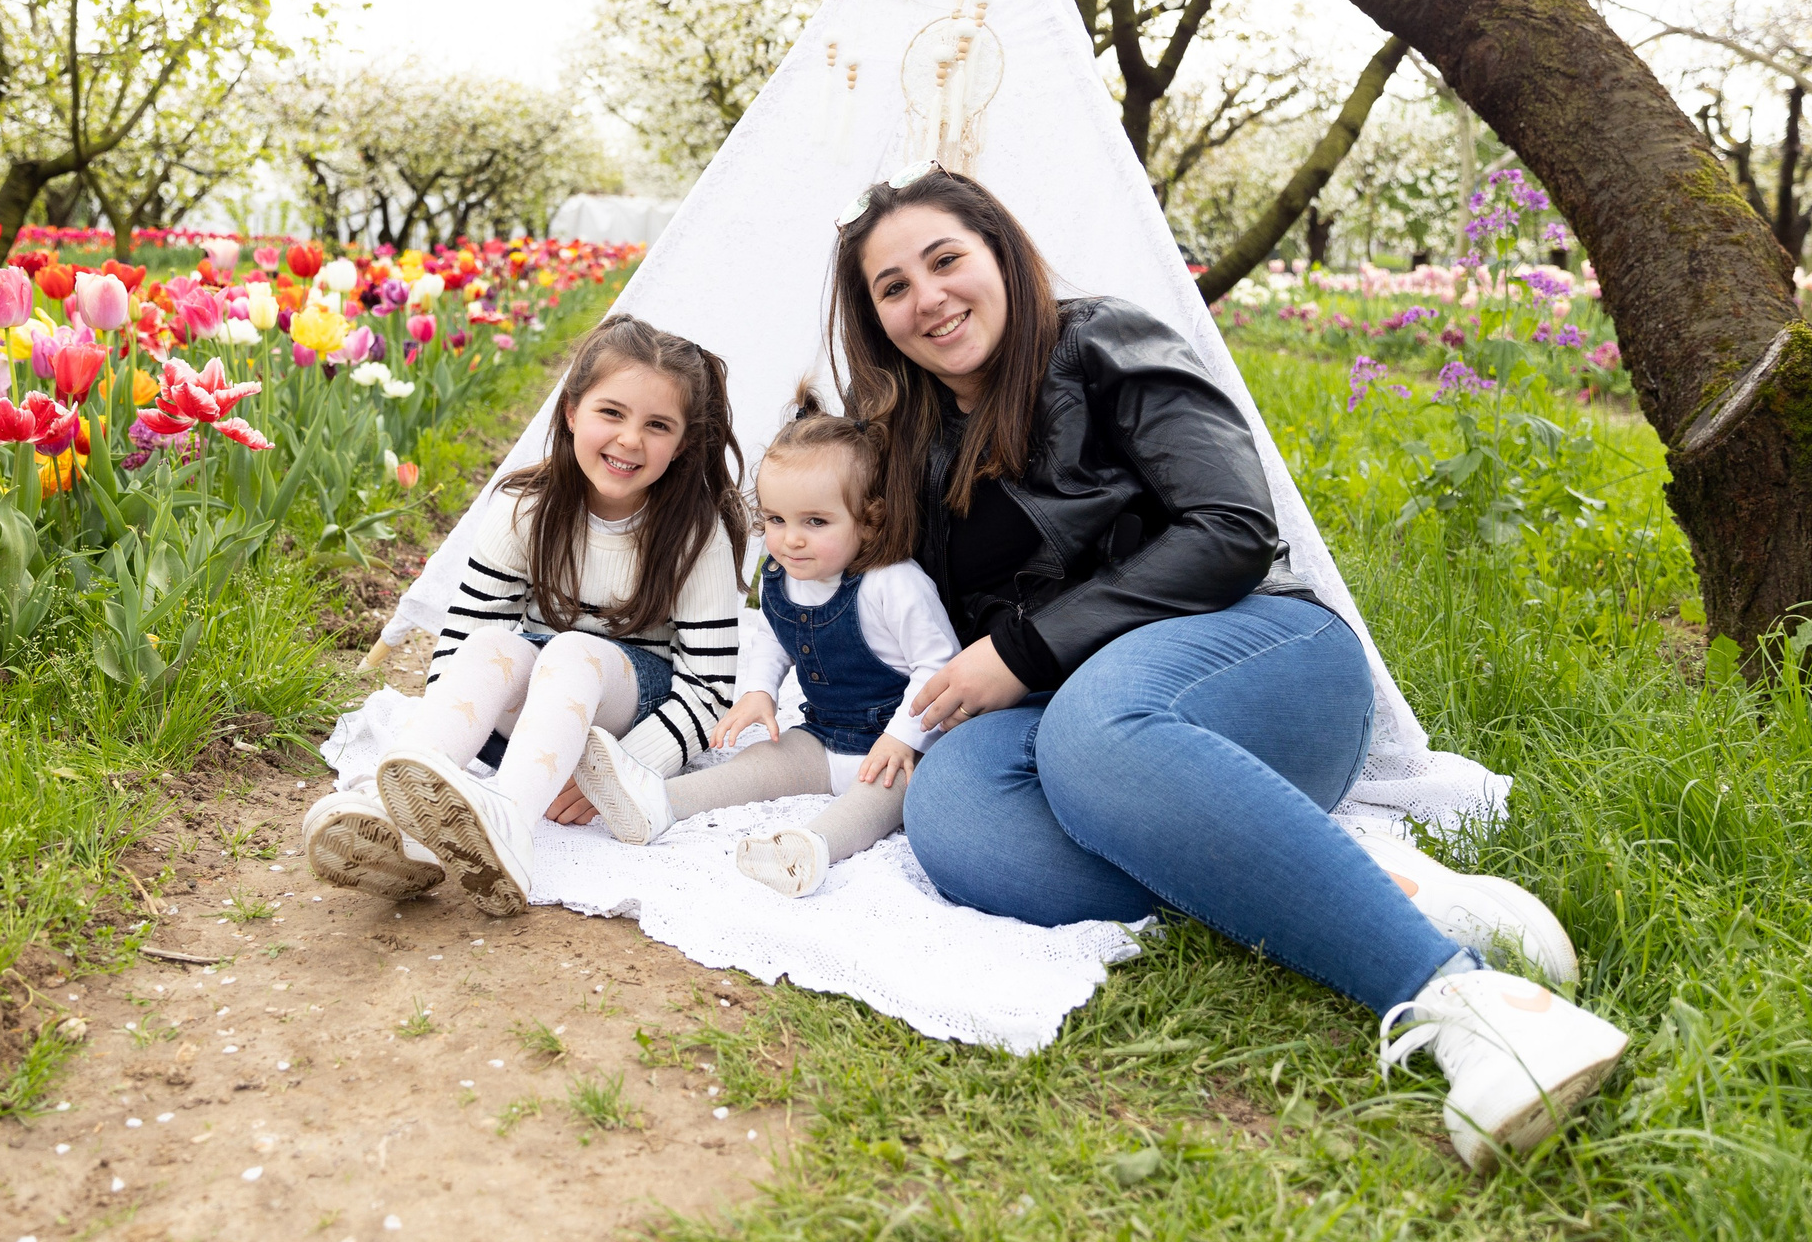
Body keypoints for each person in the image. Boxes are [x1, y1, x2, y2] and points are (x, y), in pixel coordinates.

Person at [835, 163, 1626, 1172]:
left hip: (1258, 652)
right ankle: (1376, 881)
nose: (926, 297)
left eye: (945, 259)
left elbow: (1230, 527)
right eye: (891, 286)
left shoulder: (1103, 341)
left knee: (1091, 736)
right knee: (959, 821)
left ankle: (1471, 1005)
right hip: (1088, 716)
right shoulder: (912, 441)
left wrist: (1026, 652)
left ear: (999, 253)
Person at [303, 315, 747, 917]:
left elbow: (711, 686)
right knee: (493, 649)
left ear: (684, 443)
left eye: (658, 425)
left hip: (622, 711)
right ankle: (395, 809)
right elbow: (463, 635)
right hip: (534, 717)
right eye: (611, 413)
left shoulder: (697, 535)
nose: (630, 440)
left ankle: (509, 819)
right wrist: (450, 732)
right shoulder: (526, 506)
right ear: (570, 412)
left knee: (569, 652)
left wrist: (617, 774)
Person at [576, 386, 959, 897]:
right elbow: (773, 636)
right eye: (776, 520)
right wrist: (759, 691)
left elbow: (938, 668)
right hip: (824, 734)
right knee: (760, 765)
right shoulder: (782, 572)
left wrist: (902, 738)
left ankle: (811, 848)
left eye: (815, 522)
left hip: (904, 747)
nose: (790, 539)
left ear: (870, 521)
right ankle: (657, 802)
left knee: (878, 797)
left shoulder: (895, 583)